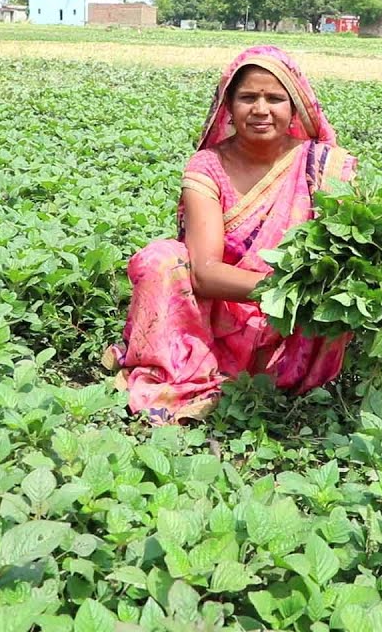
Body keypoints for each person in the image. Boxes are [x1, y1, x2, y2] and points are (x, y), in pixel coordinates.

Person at [104, 45, 358, 425]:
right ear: (228, 105)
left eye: (274, 98)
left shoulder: (325, 167)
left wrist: (311, 296)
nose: (260, 109)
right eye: (247, 97)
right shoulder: (208, 166)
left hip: (292, 323)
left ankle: (281, 377)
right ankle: (185, 365)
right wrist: (286, 289)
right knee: (160, 260)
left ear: (296, 106)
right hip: (221, 309)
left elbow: (343, 255)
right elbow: (205, 273)